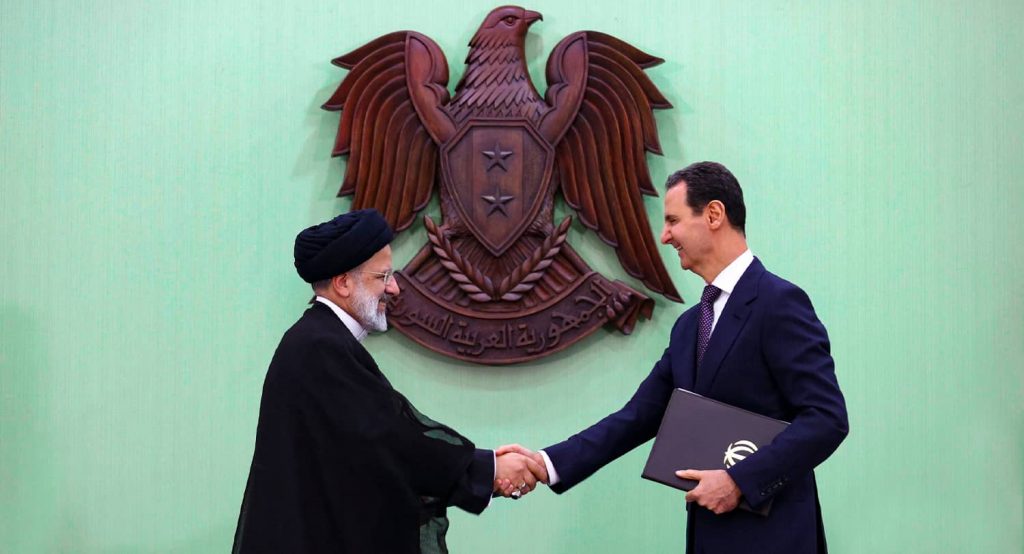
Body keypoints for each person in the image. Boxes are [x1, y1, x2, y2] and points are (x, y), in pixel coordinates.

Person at [499, 162, 849, 553]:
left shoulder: (778, 303)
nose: (665, 236)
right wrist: (546, 464)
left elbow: (826, 418)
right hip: (709, 537)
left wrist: (739, 481)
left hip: (776, 538)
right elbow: (637, 417)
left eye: (673, 221)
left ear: (714, 214)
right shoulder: (689, 326)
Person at [233, 209, 546, 554]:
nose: (394, 288)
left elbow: (374, 447)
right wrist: (485, 469)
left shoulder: (320, 339)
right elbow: (391, 438)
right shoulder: (320, 346)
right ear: (343, 282)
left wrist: (478, 467)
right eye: (383, 277)